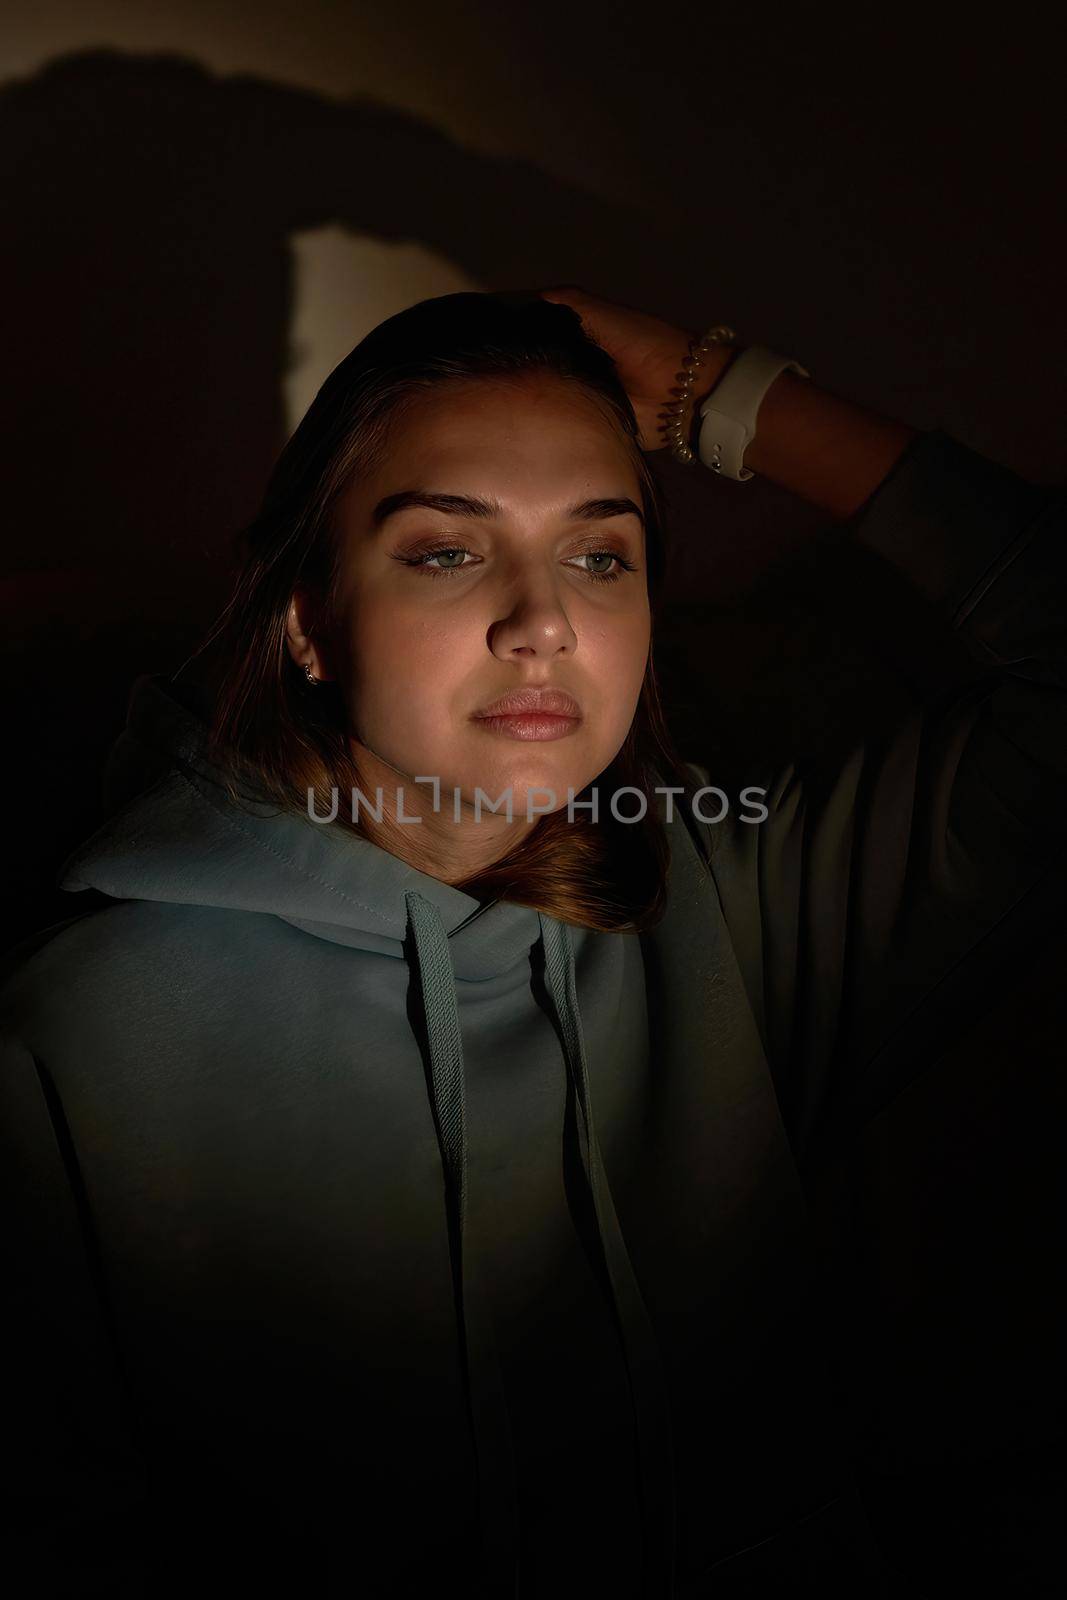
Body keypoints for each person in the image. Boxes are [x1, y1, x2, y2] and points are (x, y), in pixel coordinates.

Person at [1, 286, 1063, 1599]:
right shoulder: (76, 1036)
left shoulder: (734, 914)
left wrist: (725, 397)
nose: (543, 620)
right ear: (309, 624)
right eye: (447, 550)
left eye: (599, 555)